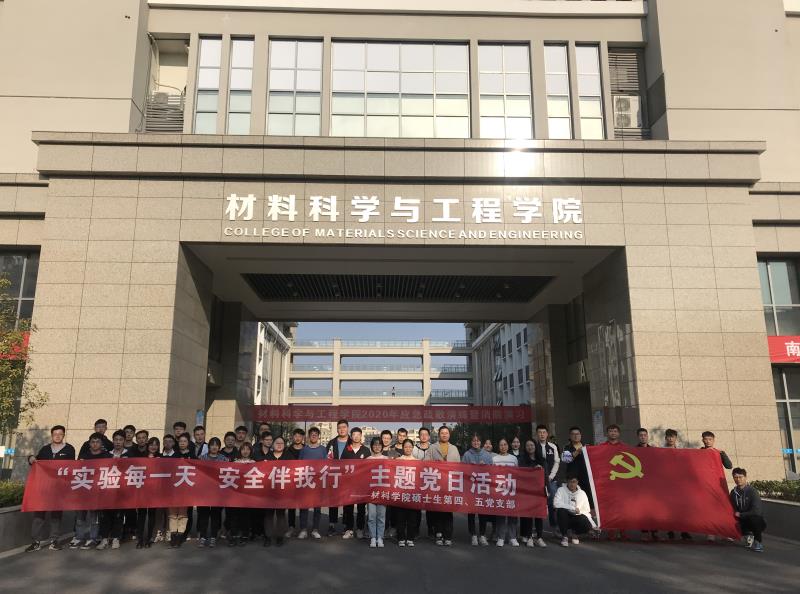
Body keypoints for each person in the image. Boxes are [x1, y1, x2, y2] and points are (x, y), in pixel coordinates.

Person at [25, 425, 76, 552]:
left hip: (59, 488)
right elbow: (36, 461)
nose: (57, 436)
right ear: (52, 435)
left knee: (56, 515)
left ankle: (54, 540)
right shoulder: (45, 449)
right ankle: (36, 541)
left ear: (63, 435)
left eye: (60, 434)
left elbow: (71, 467)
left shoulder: (69, 449)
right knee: (39, 514)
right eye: (55, 434)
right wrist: (30, 458)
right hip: (44, 487)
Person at [74, 433, 112, 550]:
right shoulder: (84, 456)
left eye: (97, 442)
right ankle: (79, 537)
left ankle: (93, 538)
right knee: (80, 516)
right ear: (89, 443)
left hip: (98, 491)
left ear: (101, 444)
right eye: (93, 442)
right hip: (84, 490)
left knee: (94, 517)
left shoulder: (107, 456)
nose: (95, 444)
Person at [424, 425, 460, 546]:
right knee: (438, 511)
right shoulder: (432, 447)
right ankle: (438, 534)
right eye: (442, 433)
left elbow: (459, 467)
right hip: (436, 483)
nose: (444, 435)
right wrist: (435, 463)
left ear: (449, 435)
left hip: (449, 484)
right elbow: (425, 462)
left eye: (446, 433)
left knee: (448, 511)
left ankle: (448, 535)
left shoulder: (454, 448)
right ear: (439, 434)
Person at [462, 433, 494, 546]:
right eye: (474, 441)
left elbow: (492, 471)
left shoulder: (487, 455)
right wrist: (468, 467)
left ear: (481, 442)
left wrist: (485, 466)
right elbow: (462, 470)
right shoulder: (467, 455)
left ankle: (482, 535)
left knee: (482, 512)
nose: (476, 442)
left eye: (478, 441)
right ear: (471, 442)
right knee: (471, 512)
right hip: (470, 488)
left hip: (483, 488)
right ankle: (473, 535)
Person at [196, 437, 225, 548]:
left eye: (216, 445)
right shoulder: (201, 458)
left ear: (219, 447)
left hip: (218, 493)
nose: (214, 447)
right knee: (203, 515)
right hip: (204, 492)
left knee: (215, 515)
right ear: (209, 447)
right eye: (212, 445)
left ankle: (213, 536)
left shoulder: (224, 459)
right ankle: (203, 537)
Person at [298, 427, 326, 539]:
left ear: (318, 436)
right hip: (306, 482)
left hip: (318, 483)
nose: (314, 436)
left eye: (316, 434)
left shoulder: (323, 449)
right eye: (312, 434)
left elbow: (326, 465)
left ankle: (315, 529)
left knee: (317, 508)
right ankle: (303, 529)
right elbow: (298, 465)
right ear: (309, 436)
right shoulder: (304, 449)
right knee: (304, 507)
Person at [663, 429, 691, 541]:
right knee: (669, 508)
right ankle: (670, 531)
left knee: (682, 508)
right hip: (667, 484)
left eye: (673, 437)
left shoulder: (681, 451)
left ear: (676, 438)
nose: (670, 439)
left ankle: (684, 531)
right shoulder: (660, 451)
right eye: (669, 437)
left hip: (680, 484)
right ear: (666, 438)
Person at [342, 427, 370, 539]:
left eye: (358, 434)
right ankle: (349, 529)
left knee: (361, 508)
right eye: (354, 434)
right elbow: (341, 467)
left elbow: (369, 468)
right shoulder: (346, 450)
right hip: (348, 484)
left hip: (362, 485)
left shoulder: (366, 450)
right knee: (348, 507)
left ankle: (360, 529)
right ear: (351, 436)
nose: (356, 437)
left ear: (361, 436)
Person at [167, 434, 194, 548]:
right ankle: (173, 535)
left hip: (186, 490)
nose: (182, 443)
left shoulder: (193, 456)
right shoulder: (174, 455)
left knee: (183, 514)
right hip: (174, 489)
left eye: (185, 441)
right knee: (173, 514)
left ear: (188, 443)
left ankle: (180, 536)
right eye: (180, 441)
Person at [554, 476, 597, 547]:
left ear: (577, 482)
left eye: (574, 482)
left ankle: (575, 534)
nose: (572, 484)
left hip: (577, 517)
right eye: (570, 482)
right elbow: (556, 504)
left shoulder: (582, 493)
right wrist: (573, 508)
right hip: (565, 517)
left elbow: (586, 511)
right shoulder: (561, 490)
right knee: (561, 511)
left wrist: (593, 525)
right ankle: (564, 536)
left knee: (585, 521)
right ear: (567, 482)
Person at [730, 468, 766, 553]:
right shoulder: (733, 493)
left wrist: (741, 514)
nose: (738, 479)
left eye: (740, 477)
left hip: (755, 520)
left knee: (755, 518)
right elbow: (732, 507)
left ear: (745, 477)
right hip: (741, 520)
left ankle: (758, 542)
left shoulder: (752, 491)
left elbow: (756, 511)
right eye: (735, 477)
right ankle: (747, 535)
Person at [493, 438, 520, 547]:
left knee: (512, 514)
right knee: (500, 515)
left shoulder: (513, 459)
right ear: (498, 447)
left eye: (505, 444)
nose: (503, 447)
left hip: (511, 490)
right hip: (499, 490)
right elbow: (491, 474)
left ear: (508, 446)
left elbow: (518, 474)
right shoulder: (494, 459)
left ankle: (512, 537)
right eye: (501, 445)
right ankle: (501, 537)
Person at [325, 419, 351, 535]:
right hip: (334, 475)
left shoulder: (352, 442)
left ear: (348, 428)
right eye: (340, 427)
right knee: (333, 501)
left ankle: (346, 525)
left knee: (347, 502)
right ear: (337, 429)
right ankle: (332, 524)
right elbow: (326, 459)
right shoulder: (331, 443)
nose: (342, 429)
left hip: (348, 477)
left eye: (344, 427)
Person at [263, 436, 290, 547]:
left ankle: (280, 536)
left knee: (281, 514)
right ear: (273, 445)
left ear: (284, 445)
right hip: (269, 491)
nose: (279, 445)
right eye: (277, 443)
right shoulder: (267, 457)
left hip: (283, 492)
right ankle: (268, 536)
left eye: (281, 443)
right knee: (268, 515)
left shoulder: (289, 457)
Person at [135, 437, 161, 549]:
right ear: (147, 445)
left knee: (151, 515)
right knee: (141, 515)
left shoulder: (161, 458)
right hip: (142, 491)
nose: (153, 447)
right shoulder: (141, 457)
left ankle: (149, 538)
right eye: (151, 444)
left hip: (154, 491)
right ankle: (140, 538)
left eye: (156, 444)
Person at [534, 425, 560, 534]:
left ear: (547, 434)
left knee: (553, 502)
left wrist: (551, 476)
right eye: (539, 432)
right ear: (536, 434)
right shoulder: (534, 447)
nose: (542, 434)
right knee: (537, 503)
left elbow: (557, 462)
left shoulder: (553, 447)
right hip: (537, 481)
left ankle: (554, 526)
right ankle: (537, 529)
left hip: (551, 480)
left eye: (544, 432)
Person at [520, 438, 545, 547]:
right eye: (528, 445)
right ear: (525, 448)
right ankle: (529, 536)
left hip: (539, 490)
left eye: (532, 445)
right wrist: (533, 469)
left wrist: (547, 489)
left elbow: (546, 475)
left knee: (539, 514)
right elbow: (521, 473)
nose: (530, 447)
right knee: (529, 515)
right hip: (527, 491)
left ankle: (539, 537)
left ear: (535, 446)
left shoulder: (541, 459)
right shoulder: (522, 459)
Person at [228, 442, 255, 547]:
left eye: (248, 449)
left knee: (245, 516)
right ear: (240, 451)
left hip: (247, 494)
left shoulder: (254, 463)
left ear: (250, 451)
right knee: (234, 516)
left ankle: (244, 535)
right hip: (235, 494)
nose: (245, 451)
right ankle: (233, 535)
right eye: (243, 449)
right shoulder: (235, 462)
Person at [634, 428, 658, 541]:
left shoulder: (653, 450)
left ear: (647, 436)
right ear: (638, 437)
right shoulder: (634, 450)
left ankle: (654, 532)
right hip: (640, 484)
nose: (643, 437)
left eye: (645, 435)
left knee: (653, 508)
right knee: (643, 508)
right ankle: (644, 532)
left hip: (651, 484)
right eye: (641, 435)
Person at [395, 439, 420, 547]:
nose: (408, 449)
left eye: (410, 447)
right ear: (403, 448)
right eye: (406, 447)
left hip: (413, 493)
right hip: (401, 492)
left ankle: (410, 538)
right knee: (400, 517)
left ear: (413, 447)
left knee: (412, 518)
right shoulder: (397, 460)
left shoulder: (418, 461)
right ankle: (400, 537)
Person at [366, 436, 388, 548]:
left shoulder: (387, 459)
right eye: (375, 445)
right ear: (371, 446)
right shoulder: (367, 460)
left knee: (381, 516)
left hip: (383, 492)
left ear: (382, 447)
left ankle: (380, 537)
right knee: (371, 516)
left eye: (379, 445)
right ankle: (373, 537)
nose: (377, 447)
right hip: (371, 492)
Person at [285, 428, 306, 538]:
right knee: (291, 506)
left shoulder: (306, 449)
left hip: (304, 481)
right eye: (296, 436)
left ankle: (303, 528)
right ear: (292, 437)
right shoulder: (287, 450)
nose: (298, 438)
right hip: (291, 481)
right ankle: (291, 527)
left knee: (303, 505)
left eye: (300, 436)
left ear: (303, 438)